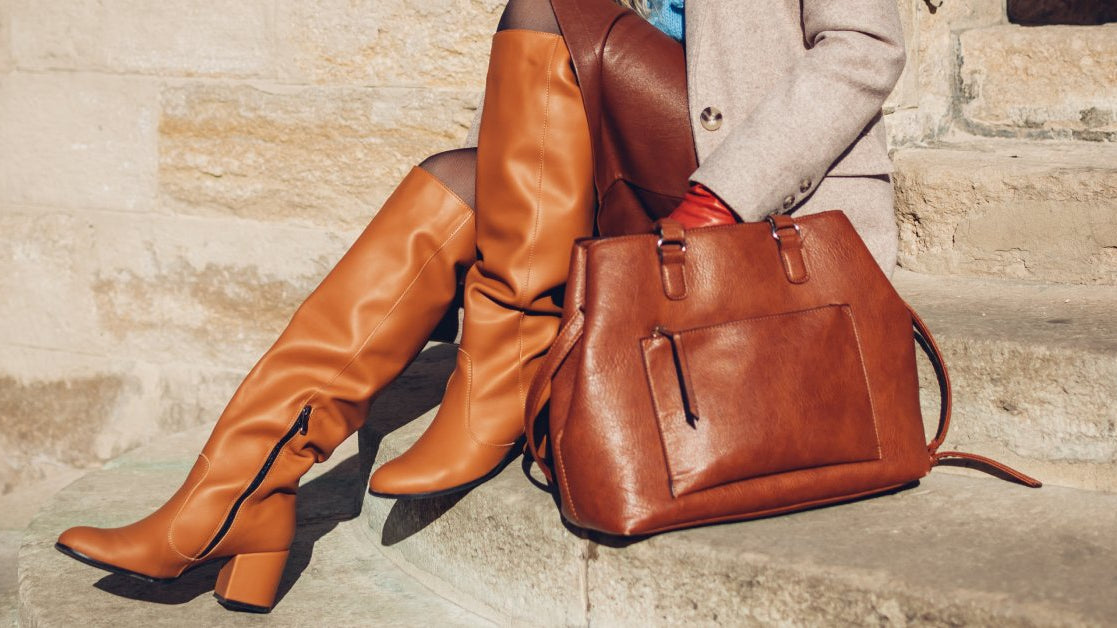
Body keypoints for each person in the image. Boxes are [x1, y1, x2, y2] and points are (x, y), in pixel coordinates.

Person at [54, 0, 906, 613]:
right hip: (645, 170)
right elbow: (545, 92)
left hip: (764, 190)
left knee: (540, 4)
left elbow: (862, 47)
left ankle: (487, 375)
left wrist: (724, 196)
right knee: (451, 184)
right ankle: (240, 486)